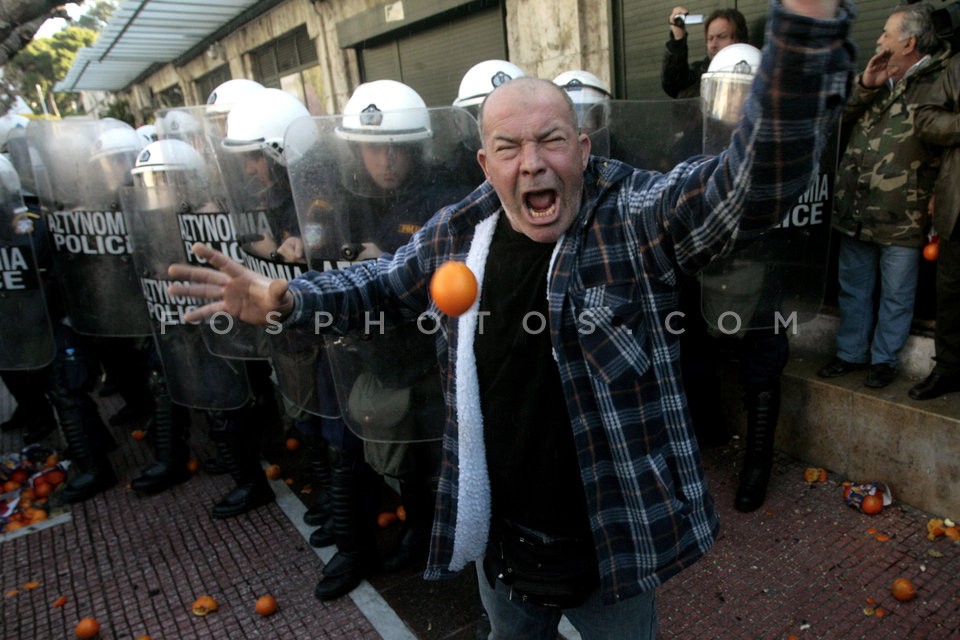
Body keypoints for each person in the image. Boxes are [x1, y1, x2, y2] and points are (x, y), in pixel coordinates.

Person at [169, 0, 852, 635]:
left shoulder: (634, 216)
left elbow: (753, 182)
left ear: (583, 148)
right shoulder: (458, 232)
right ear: (485, 163)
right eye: (508, 148)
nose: (532, 165)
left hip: (612, 542)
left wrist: (804, 33)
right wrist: (288, 299)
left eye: (551, 141)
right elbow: (380, 284)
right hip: (502, 545)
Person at [818, 1, 950, 390]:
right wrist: (865, 86)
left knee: (897, 293)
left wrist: (938, 196)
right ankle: (850, 353)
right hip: (856, 206)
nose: (878, 40)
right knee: (853, 288)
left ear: (909, 42)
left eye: (886, 34)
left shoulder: (940, 80)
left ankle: (883, 360)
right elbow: (833, 120)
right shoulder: (877, 75)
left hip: (903, 211)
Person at [909, 56, 960, 399]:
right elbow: (925, 119)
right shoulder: (957, 67)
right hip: (958, 203)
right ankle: (949, 369)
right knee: (951, 292)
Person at [661, 6, 749, 99]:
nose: (713, 45)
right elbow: (674, 85)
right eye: (710, 38)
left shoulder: (756, 71)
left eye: (722, 37)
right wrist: (678, 39)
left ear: (740, 39)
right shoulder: (699, 72)